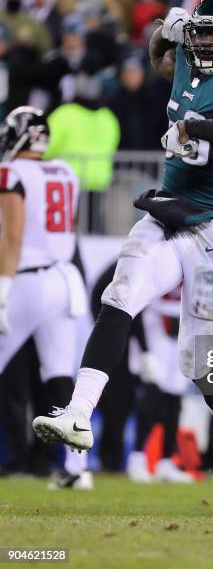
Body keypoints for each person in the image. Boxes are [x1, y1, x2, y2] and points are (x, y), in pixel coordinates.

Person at [33, 0, 213, 495]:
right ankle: (78, 414)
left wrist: (196, 126)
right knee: (120, 295)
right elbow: (160, 60)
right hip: (169, 206)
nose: (205, 42)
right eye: (199, 32)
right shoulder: (189, 55)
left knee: (196, 359)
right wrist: (162, 32)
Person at [0, 106, 91, 489]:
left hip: (26, 280)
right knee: (58, 376)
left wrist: (3, 288)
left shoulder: (11, 173)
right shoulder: (65, 171)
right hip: (64, 279)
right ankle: (76, 469)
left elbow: (12, 236)